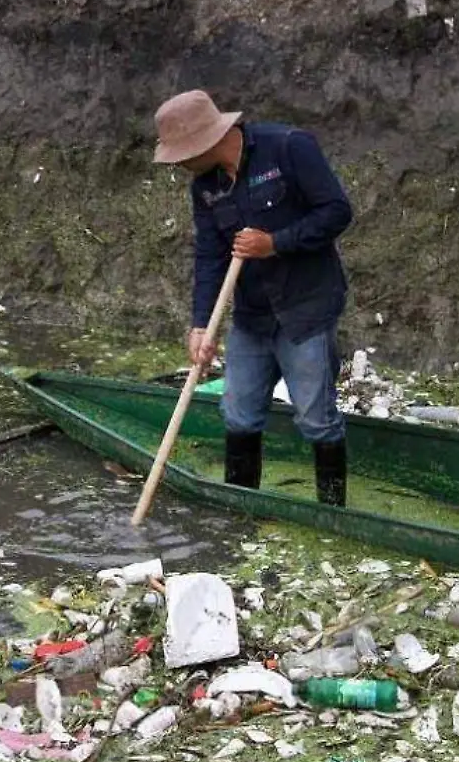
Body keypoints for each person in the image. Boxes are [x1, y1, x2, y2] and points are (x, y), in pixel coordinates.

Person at [151, 89, 355, 506]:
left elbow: (336, 211)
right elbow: (210, 256)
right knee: (239, 413)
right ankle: (239, 506)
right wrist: (200, 323)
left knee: (316, 418)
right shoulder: (204, 188)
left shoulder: (288, 148)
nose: (181, 164)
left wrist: (275, 243)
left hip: (306, 307)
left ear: (208, 141)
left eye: (183, 153)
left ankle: (333, 509)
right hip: (252, 315)